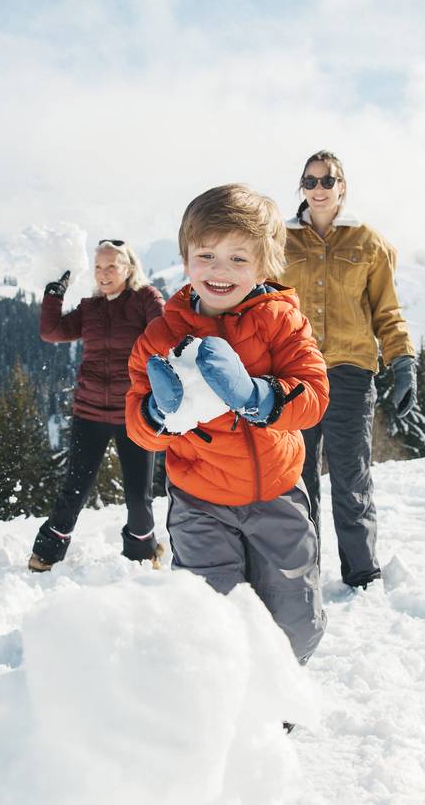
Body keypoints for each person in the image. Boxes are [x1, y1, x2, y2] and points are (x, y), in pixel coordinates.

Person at [125, 185, 329, 664]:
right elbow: (137, 425)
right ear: (185, 257)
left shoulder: (281, 321)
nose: (220, 271)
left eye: (239, 259)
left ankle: (277, 705)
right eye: (207, 255)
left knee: (297, 623)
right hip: (201, 502)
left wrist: (258, 396)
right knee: (208, 619)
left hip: (277, 494)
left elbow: (314, 395)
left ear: (265, 265)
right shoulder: (161, 336)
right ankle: (223, 712)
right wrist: (159, 414)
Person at [280, 150, 416, 590]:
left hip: (351, 373)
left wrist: (403, 361)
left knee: (350, 475)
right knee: (296, 478)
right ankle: (303, 573)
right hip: (295, 373)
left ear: (342, 187)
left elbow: (387, 311)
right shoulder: (281, 241)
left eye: (327, 180)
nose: (318, 189)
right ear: (302, 187)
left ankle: (361, 573)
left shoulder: (369, 242)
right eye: (310, 181)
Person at [28, 239, 166, 572]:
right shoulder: (90, 308)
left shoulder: (145, 300)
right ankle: (45, 555)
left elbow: (164, 333)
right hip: (89, 412)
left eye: (111, 266)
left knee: (137, 495)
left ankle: (142, 555)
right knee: (74, 489)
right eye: (99, 267)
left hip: (133, 412)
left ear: (128, 268)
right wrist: (54, 294)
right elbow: (52, 331)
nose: (104, 274)